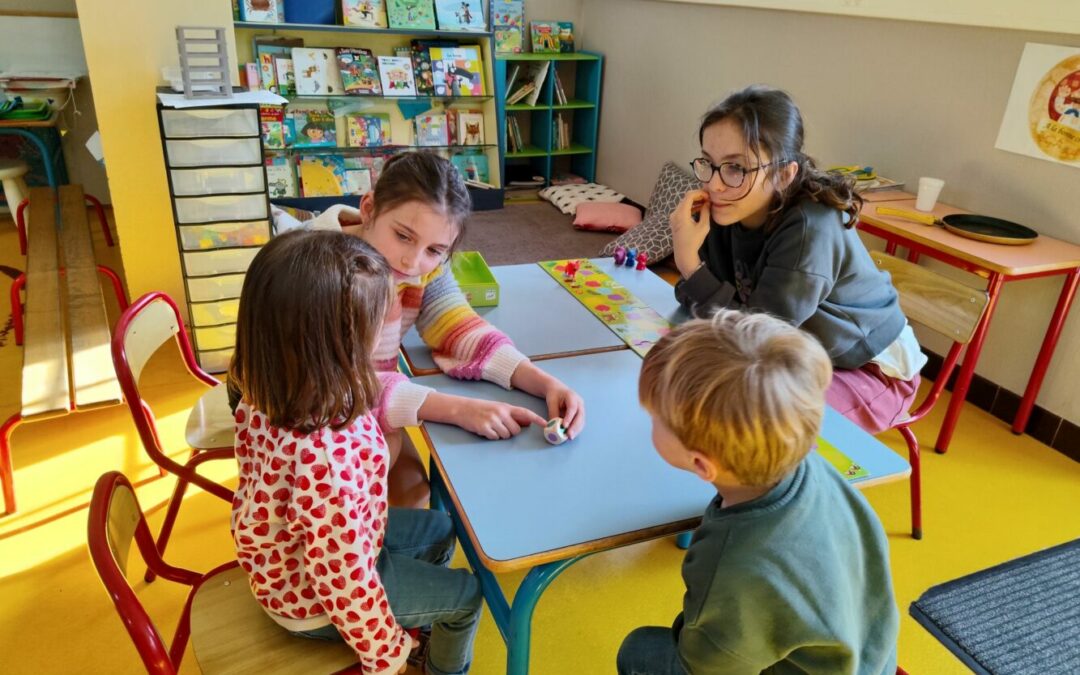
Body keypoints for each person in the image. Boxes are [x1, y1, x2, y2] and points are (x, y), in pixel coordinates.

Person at [229, 230, 482, 675]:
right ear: (338, 346)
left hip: (297, 555)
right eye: (379, 323)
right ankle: (435, 664)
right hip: (312, 600)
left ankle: (417, 622)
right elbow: (342, 580)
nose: (386, 331)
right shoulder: (327, 459)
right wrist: (386, 653)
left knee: (442, 530)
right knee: (467, 598)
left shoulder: (270, 384)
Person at [276, 151, 586, 508]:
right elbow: (332, 386)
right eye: (403, 236)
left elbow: (457, 325)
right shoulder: (313, 273)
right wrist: (456, 409)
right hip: (294, 415)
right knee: (391, 491)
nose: (413, 262)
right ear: (369, 208)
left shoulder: (423, 267)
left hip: (360, 405)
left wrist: (544, 383)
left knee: (415, 491)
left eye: (435, 250)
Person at [617, 310, 899, 675]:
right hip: (869, 658)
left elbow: (709, 668)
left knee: (637, 650)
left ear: (702, 465)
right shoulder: (807, 464)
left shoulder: (734, 566)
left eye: (654, 417)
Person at [668, 84, 925, 434]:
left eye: (736, 168)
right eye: (709, 164)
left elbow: (757, 343)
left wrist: (688, 264)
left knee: (751, 422)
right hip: (793, 351)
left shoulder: (809, 227)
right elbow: (701, 302)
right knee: (682, 375)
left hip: (868, 368)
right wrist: (697, 275)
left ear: (784, 174)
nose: (714, 184)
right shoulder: (728, 210)